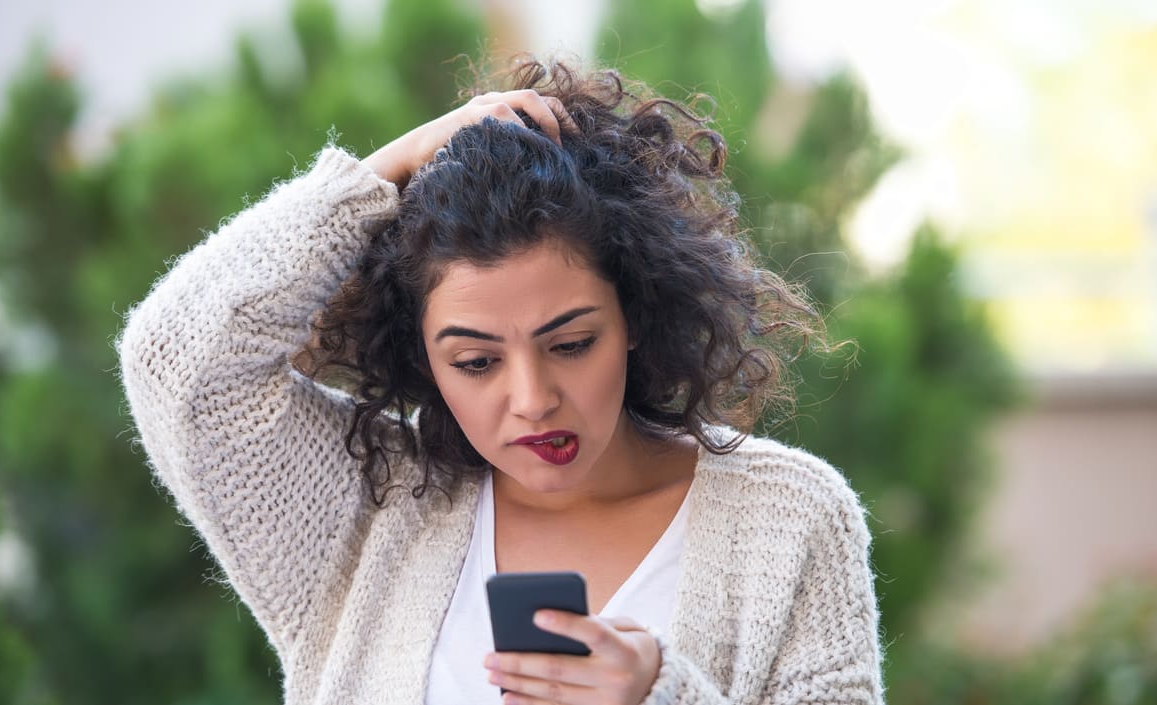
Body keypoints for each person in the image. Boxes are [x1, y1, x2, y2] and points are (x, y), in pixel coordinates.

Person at [118, 58, 883, 705]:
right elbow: (176, 363)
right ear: (422, 356)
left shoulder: (790, 521)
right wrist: (388, 169)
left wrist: (660, 691)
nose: (531, 398)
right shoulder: (368, 506)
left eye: (572, 342)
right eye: (477, 361)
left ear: (636, 316)